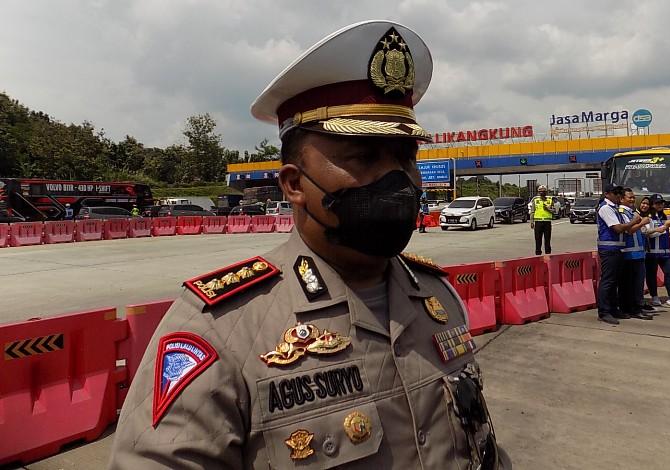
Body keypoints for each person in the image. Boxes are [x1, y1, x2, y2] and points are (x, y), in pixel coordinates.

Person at [109, 21, 505, 469]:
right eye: (364, 156)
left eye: (404, 157)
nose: (397, 179)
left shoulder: (439, 298)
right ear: (295, 185)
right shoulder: (221, 329)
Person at [596, 184, 638, 325]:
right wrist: (634, 221)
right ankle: (604, 312)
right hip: (609, 249)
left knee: (614, 281)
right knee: (608, 281)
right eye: (615, 193)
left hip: (618, 248)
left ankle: (613, 309)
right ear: (607, 194)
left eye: (619, 192)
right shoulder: (606, 208)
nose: (618, 195)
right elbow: (618, 228)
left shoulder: (615, 209)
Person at [616, 188, 653, 320]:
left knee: (638, 283)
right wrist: (642, 222)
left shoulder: (631, 212)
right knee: (629, 284)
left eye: (633, 197)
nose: (632, 199)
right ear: (622, 199)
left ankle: (637, 307)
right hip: (629, 253)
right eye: (629, 197)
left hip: (638, 253)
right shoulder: (622, 212)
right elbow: (629, 230)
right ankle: (630, 308)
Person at [529, 185, 556, 255]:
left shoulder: (550, 200)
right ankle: (538, 254)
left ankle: (548, 254)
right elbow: (532, 212)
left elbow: (554, 211)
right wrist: (531, 222)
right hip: (538, 222)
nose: (542, 193)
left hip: (547, 222)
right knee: (538, 239)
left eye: (543, 191)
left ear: (546, 192)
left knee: (547, 240)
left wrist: (548, 209)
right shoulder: (535, 201)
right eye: (540, 191)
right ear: (538, 192)